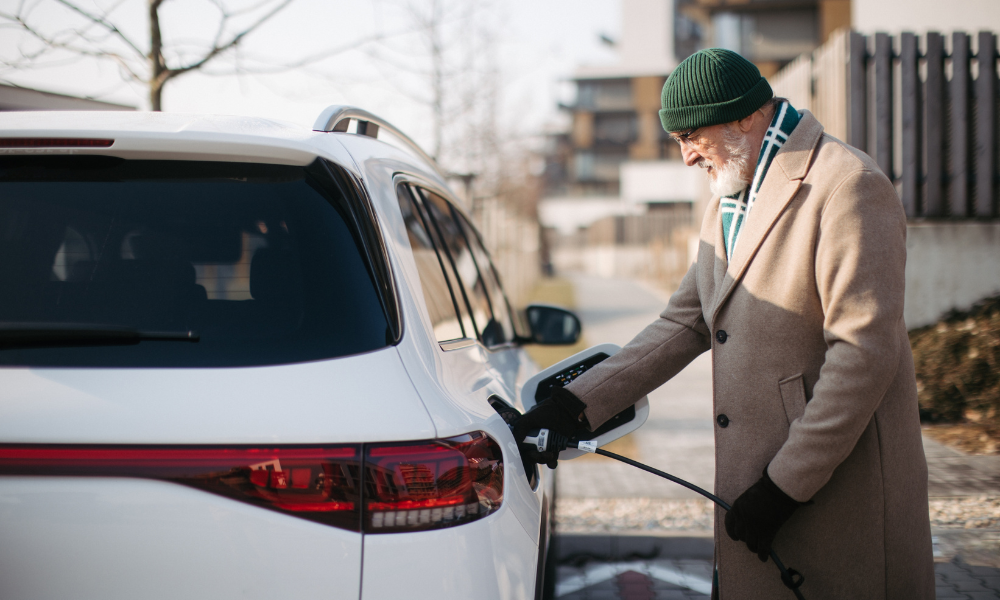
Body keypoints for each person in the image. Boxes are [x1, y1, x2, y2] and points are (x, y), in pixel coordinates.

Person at [514, 48, 934, 599]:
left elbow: (863, 355)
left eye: (691, 136)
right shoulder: (728, 199)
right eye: (677, 141)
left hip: (833, 498)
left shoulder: (847, 185)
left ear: (743, 115)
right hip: (761, 497)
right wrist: (575, 404)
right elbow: (685, 321)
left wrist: (786, 487)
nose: (686, 157)